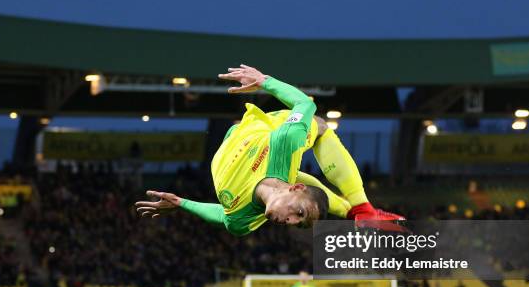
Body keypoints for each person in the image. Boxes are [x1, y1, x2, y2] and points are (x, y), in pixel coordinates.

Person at [136, 65, 403, 236]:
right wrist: (265, 81)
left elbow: (222, 216)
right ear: (295, 191)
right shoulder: (284, 142)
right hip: (262, 129)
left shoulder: (242, 222)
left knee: (295, 172)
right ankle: (360, 207)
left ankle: (354, 212)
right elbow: (303, 103)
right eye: (299, 214)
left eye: (297, 223)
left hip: (246, 148)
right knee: (319, 126)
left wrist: (183, 204)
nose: (290, 222)